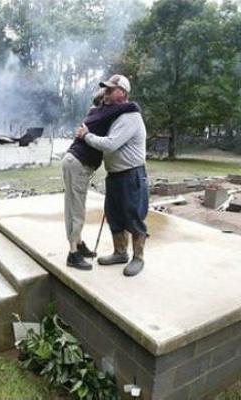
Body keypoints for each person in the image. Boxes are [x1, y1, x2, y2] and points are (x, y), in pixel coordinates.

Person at [75, 74, 148, 277]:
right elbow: (97, 104)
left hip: (131, 175)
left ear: (122, 93)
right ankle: (120, 252)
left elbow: (110, 143)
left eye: (110, 89)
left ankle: (138, 257)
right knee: (114, 215)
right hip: (115, 175)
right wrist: (103, 98)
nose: (105, 93)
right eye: (104, 89)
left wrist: (86, 136)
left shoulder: (130, 117)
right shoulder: (116, 114)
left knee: (133, 216)